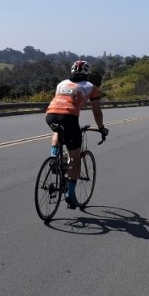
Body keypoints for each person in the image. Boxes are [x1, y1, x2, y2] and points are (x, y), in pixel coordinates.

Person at [45, 60, 108, 207]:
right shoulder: (91, 87)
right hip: (69, 117)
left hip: (50, 115)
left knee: (58, 131)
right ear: (87, 74)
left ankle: (54, 157)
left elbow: (59, 102)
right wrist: (101, 128)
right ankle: (70, 194)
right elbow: (97, 112)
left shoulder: (61, 84)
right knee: (75, 158)